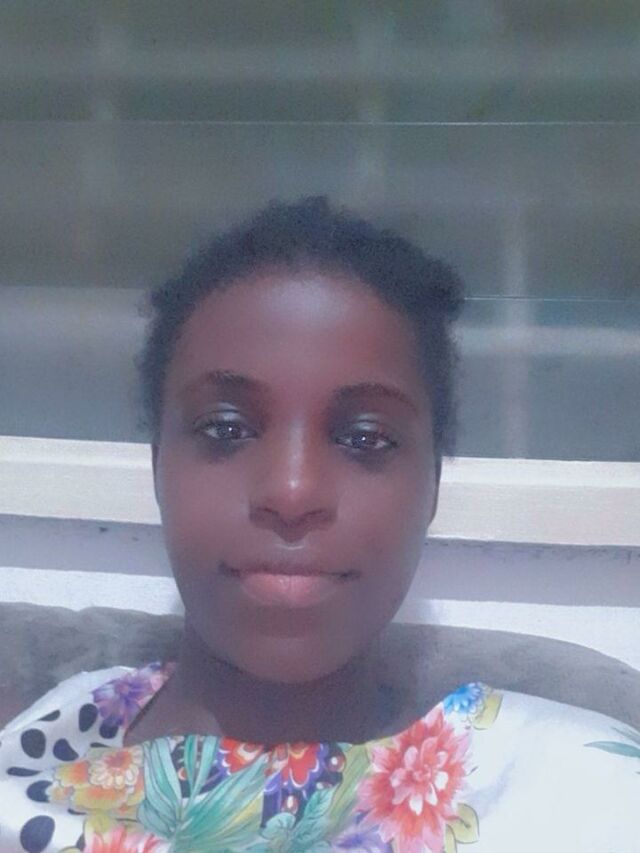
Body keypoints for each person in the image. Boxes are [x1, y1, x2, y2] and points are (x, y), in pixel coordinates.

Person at [0, 197, 637, 852]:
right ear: (159, 466)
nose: (292, 490)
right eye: (226, 429)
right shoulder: (25, 754)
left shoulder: (582, 795)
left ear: (432, 485)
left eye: (365, 438)